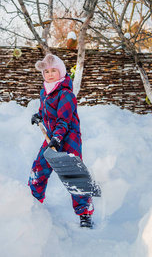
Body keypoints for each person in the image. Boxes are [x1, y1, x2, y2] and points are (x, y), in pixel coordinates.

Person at [28, 53, 94, 228]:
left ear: (62, 72)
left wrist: (57, 138)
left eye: (53, 70)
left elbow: (63, 120)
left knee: (73, 174)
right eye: (46, 71)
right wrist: (39, 115)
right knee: (39, 168)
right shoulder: (45, 92)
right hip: (52, 137)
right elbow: (46, 110)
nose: (49, 74)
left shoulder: (66, 94)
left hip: (68, 138)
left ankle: (84, 212)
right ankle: (32, 203)